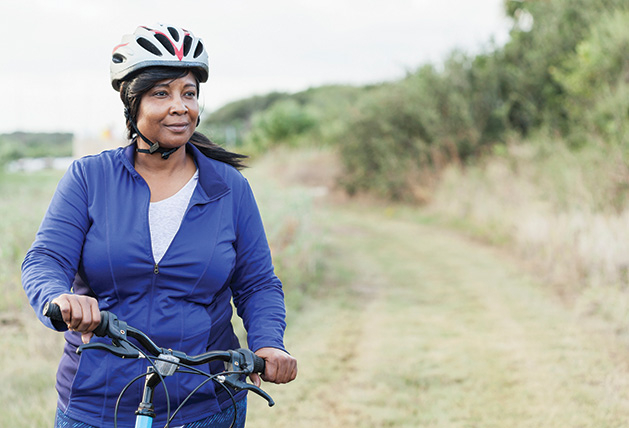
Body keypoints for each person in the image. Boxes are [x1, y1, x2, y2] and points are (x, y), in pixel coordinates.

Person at [22, 23, 297, 428]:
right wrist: (59, 298)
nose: (180, 106)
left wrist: (269, 343)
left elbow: (257, 283)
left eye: (189, 93)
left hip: (208, 400)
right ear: (132, 103)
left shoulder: (229, 187)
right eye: (161, 93)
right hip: (98, 404)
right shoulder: (89, 178)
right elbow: (46, 258)